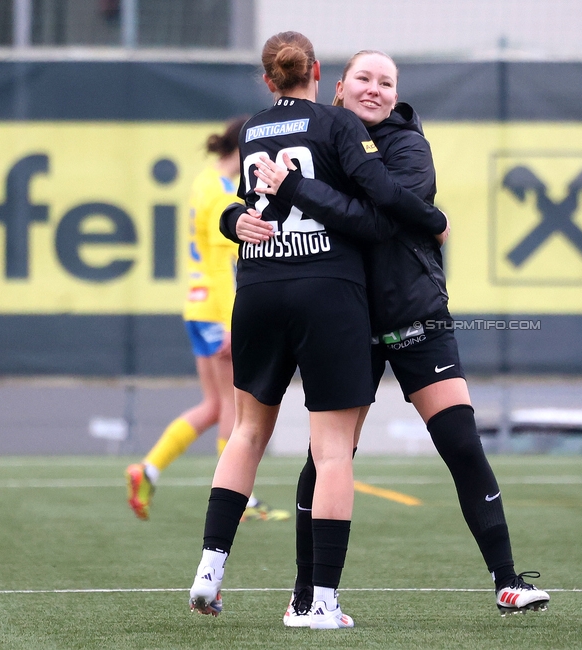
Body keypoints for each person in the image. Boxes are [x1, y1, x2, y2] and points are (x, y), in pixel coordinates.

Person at [226, 49, 550, 621]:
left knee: (461, 442)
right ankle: (307, 596)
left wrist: (420, 213)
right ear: (340, 86)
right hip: (347, 321)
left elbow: (383, 212)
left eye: (387, 82)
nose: (375, 89)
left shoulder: (407, 146)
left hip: (414, 316)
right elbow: (260, 206)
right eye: (365, 78)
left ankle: (508, 580)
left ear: (396, 94)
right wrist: (236, 220)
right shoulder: (322, 140)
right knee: (327, 456)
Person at [187, 31, 447, 630]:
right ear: (318, 74)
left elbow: (236, 208)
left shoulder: (251, 129)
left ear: (267, 79)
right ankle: (320, 603)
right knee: (332, 451)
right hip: (326, 290)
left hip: (255, 290)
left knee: (247, 433)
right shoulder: (335, 124)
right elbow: (381, 198)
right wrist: (429, 217)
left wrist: (233, 220)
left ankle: (209, 571)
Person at [124, 117, 288, 524]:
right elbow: (220, 269)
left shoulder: (205, 181)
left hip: (197, 308)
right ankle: (238, 501)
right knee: (235, 408)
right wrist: (233, 321)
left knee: (215, 405)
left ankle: (148, 469)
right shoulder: (219, 192)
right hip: (216, 310)